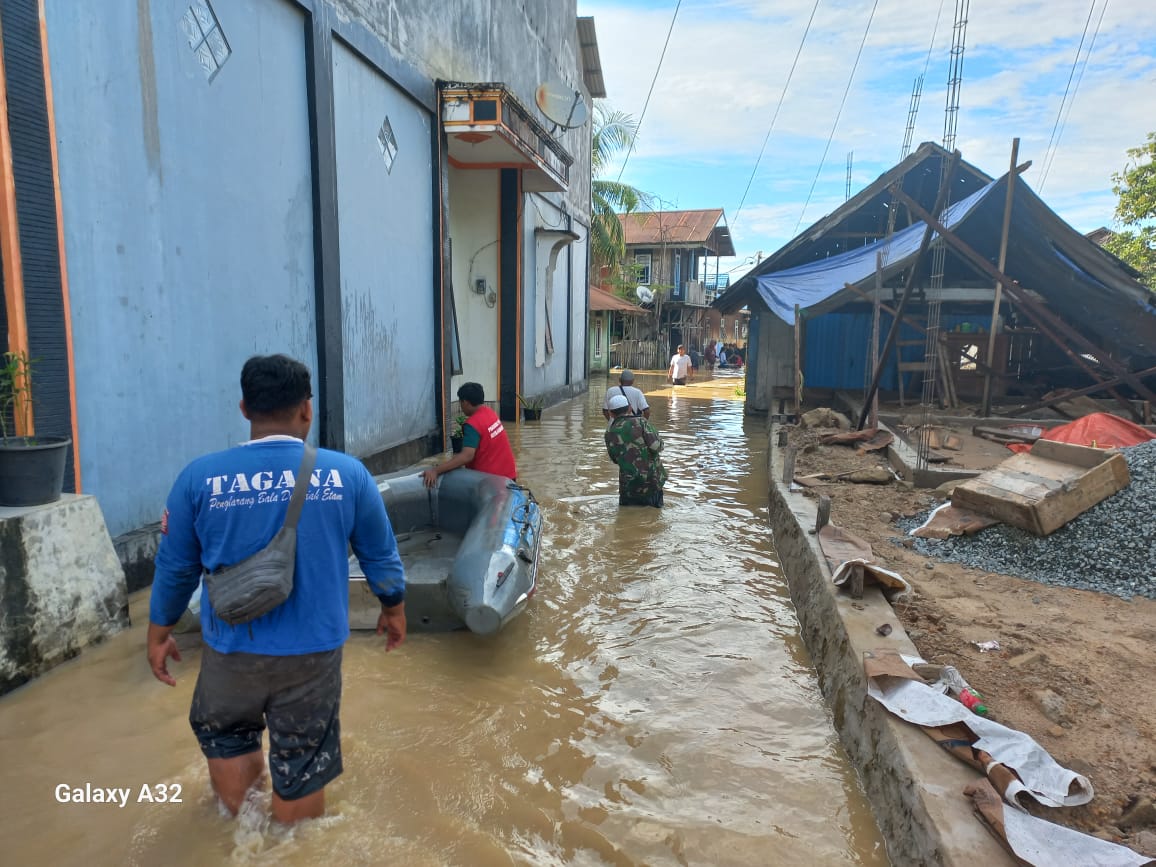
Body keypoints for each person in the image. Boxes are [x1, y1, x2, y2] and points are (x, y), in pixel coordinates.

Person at [147, 354, 407, 826]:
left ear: (245, 408)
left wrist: (159, 631)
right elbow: (381, 556)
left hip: (230, 651)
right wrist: (393, 607)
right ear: (307, 411)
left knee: (226, 736)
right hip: (314, 653)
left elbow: (175, 568)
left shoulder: (198, 478)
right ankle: (294, 849)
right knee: (303, 759)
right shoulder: (348, 475)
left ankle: (247, 837)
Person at [423, 381, 516, 486]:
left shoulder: (473, 424)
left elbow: (467, 456)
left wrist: (436, 470)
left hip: (493, 483)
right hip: (509, 476)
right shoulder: (490, 413)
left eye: (460, 402)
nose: (461, 406)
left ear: (465, 402)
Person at [604, 394, 667, 507]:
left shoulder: (609, 433)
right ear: (629, 408)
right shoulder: (641, 422)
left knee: (626, 519)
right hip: (651, 483)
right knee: (654, 519)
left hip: (628, 486)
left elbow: (614, 459)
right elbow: (656, 447)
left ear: (611, 413)